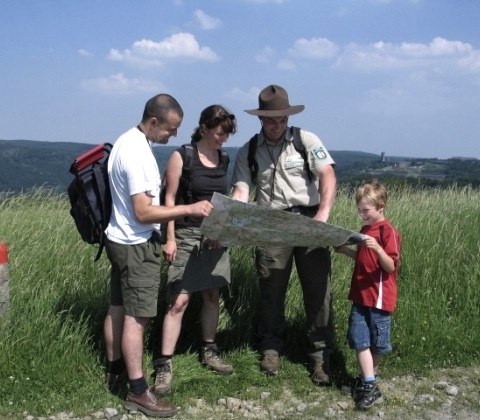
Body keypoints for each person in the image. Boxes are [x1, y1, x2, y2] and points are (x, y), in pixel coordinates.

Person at [102, 93, 214, 417]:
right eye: (170, 128)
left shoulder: (127, 141)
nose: (174, 135)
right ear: (154, 121)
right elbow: (142, 212)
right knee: (138, 319)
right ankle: (138, 391)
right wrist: (189, 208)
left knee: (117, 308)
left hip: (118, 239)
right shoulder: (137, 153)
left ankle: (114, 372)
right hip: (136, 245)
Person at [231, 84, 337, 384]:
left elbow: (327, 173)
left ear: (288, 117)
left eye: (281, 119)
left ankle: (320, 355)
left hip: (309, 219)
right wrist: (237, 212)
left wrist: (323, 215)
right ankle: (271, 348)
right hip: (269, 223)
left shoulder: (306, 140)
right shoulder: (249, 150)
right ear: (261, 119)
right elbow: (241, 188)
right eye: (270, 120)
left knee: (318, 292)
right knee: (271, 291)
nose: (277, 125)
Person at [153, 105, 236, 396]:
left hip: (214, 238)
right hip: (186, 234)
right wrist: (170, 238)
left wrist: (218, 231)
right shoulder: (183, 156)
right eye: (218, 133)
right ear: (203, 128)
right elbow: (169, 199)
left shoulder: (223, 158)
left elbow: (223, 200)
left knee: (212, 294)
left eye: (226, 134)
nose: (222, 139)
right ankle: (164, 363)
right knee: (179, 301)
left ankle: (209, 349)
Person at [334, 180, 401, 410]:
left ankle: (368, 383)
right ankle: (369, 382)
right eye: (359, 209)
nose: (361, 213)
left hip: (380, 298)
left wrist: (378, 248)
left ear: (380, 207)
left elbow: (390, 266)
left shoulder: (387, 231)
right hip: (360, 295)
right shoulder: (364, 231)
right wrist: (346, 251)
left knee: (378, 343)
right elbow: (364, 259)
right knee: (359, 339)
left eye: (366, 210)